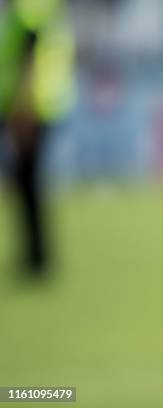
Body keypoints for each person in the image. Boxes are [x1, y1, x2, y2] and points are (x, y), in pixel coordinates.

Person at [0, 0, 75, 274]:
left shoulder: (27, 11)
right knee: (28, 183)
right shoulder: (44, 8)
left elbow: (27, 62)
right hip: (39, 105)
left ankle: (36, 258)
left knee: (27, 183)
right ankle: (36, 256)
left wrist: (24, 108)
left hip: (28, 108)